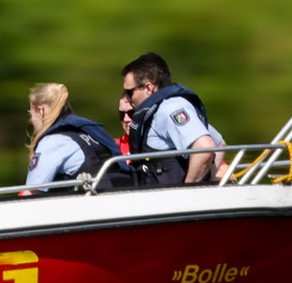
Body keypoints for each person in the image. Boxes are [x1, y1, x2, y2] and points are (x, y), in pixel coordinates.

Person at [121, 52, 225, 186]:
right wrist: (207, 180)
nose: (127, 98)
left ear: (148, 88)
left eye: (129, 92)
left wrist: (189, 190)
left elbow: (205, 147)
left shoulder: (168, 109)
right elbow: (219, 144)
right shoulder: (164, 109)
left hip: (172, 197)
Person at [24, 83, 125, 192]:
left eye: (31, 114)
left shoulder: (52, 142)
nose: (31, 120)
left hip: (93, 200)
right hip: (123, 192)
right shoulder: (90, 131)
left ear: (41, 111)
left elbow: (31, 193)